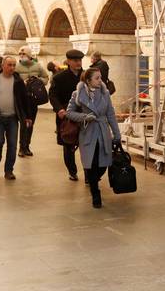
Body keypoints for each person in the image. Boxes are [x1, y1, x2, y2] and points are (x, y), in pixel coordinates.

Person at [66, 67, 121, 208]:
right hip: (88, 132)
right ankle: (95, 192)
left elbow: (111, 115)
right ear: (88, 80)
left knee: (104, 163)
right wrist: (84, 117)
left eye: (100, 77)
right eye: (97, 78)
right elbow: (69, 113)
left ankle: (93, 181)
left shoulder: (105, 93)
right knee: (91, 164)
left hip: (103, 132)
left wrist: (117, 134)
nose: (100, 80)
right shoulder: (77, 94)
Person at [0, 56, 32, 180]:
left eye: (14, 65)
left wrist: (28, 117)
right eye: (9, 65)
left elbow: (25, 99)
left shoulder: (18, 81)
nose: (12, 67)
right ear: (3, 66)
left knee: (12, 145)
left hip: (13, 118)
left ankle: (9, 170)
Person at [49, 49, 84, 181]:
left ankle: (88, 174)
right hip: (66, 116)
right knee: (68, 145)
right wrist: (59, 110)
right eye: (75, 60)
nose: (78, 63)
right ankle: (72, 171)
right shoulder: (59, 77)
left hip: (84, 115)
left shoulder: (87, 75)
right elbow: (52, 95)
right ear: (69, 61)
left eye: (80, 60)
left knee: (87, 145)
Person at [15, 46, 49, 157]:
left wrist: (37, 81)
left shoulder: (37, 66)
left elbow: (46, 78)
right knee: (24, 123)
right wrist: (21, 82)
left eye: (23, 54)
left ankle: (27, 146)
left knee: (31, 123)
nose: (21, 56)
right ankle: (21, 147)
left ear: (29, 56)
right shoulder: (16, 66)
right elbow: (13, 80)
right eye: (20, 54)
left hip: (33, 99)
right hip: (21, 99)